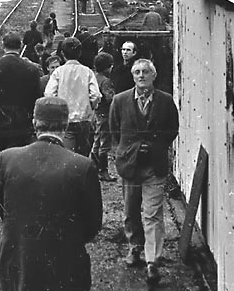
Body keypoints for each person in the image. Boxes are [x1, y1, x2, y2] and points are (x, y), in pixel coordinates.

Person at [0, 97, 103, 291]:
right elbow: (93, 224)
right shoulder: (82, 166)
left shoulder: (7, 158)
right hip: (65, 264)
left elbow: (3, 210)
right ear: (66, 123)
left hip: (18, 262)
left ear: (34, 123)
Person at [109, 59, 179, 285]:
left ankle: (153, 262)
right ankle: (134, 247)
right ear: (132, 76)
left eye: (146, 72)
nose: (141, 76)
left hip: (154, 167)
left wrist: (156, 146)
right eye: (137, 72)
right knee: (130, 210)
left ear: (153, 75)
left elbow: (172, 129)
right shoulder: (120, 101)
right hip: (130, 165)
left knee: (152, 213)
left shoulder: (166, 101)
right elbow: (114, 130)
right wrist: (126, 151)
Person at [0, 33, 41, 161]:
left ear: (3, 46)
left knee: (0, 159)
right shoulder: (32, 69)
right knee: (21, 161)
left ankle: (1, 180)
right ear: (20, 46)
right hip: (23, 125)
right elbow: (37, 98)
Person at [44, 37, 100, 156]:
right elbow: (95, 95)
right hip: (84, 120)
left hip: (65, 120)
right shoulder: (87, 71)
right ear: (79, 53)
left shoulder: (58, 72)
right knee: (83, 155)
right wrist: (89, 107)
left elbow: (49, 94)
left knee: (67, 155)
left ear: (63, 54)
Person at [90, 52, 116, 182]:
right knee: (105, 143)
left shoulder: (94, 77)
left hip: (95, 113)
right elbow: (110, 98)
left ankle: (94, 167)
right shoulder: (106, 81)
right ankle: (103, 171)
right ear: (107, 67)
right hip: (105, 114)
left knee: (96, 141)